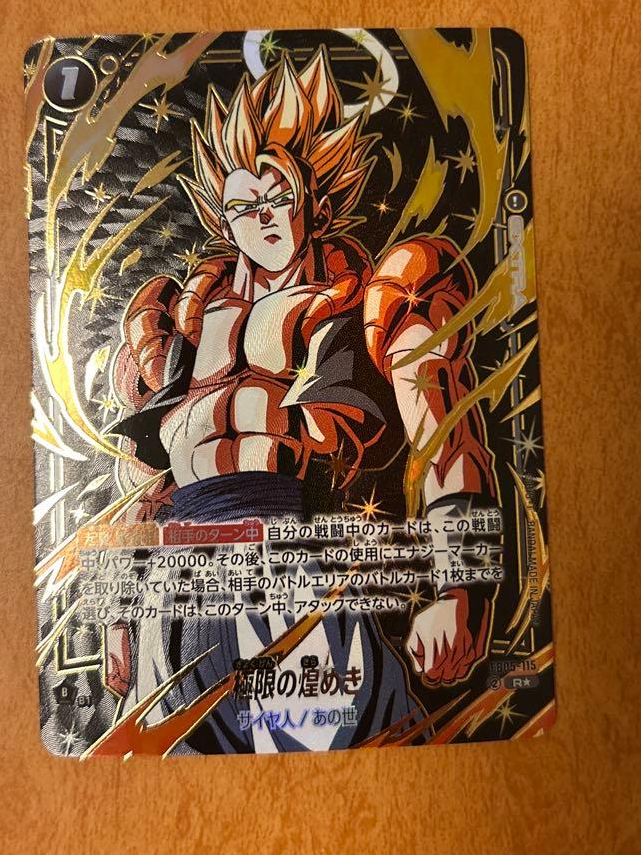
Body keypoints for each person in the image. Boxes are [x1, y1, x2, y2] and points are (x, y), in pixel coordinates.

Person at [106, 47, 496, 752]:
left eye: (276, 196)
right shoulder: (177, 323)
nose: (262, 218)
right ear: (221, 215)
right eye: (243, 204)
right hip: (174, 591)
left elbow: (445, 433)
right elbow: (144, 486)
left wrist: (460, 589)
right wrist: (118, 613)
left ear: (312, 199)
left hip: (286, 569)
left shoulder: (370, 297)